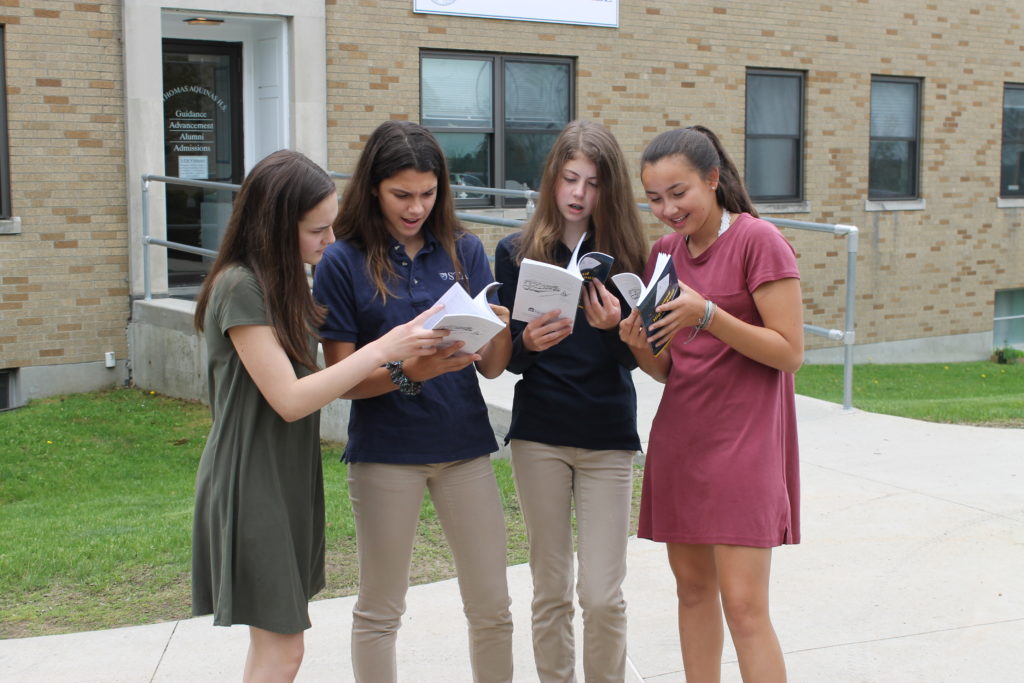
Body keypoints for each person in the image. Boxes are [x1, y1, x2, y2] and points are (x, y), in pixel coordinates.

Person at [191, 150, 445, 682]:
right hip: (252, 477)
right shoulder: (240, 286)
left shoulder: (279, 284)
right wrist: (382, 351)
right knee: (284, 652)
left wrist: (406, 350)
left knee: (273, 650)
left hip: (284, 475)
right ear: (277, 227)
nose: (330, 242)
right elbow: (291, 399)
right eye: (318, 230)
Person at [311, 120, 514, 683]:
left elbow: (494, 368)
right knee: (381, 611)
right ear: (373, 187)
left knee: (492, 606)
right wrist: (411, 372)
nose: (416, 207)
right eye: (402, 194)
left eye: (428, 194)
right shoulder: (342, 261)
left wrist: (499, 328)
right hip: (386, 453)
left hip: (463, 446)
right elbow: (343, 379)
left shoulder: (466, 249)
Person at [620, 125, 803, 683]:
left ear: (713, 180)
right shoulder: (664, 253)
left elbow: (789, 352)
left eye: (679, 193)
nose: (668, 209)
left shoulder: (758, 240)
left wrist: (709, 315)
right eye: (654, 198)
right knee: (693, 592)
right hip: (682, 440)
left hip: (744, 445)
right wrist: (638, 346)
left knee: (745, 608)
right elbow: (671, 368)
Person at [494, 120, 648, 682]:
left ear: (610, 189)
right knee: (551, 589)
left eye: (592, 182)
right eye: (569, 178)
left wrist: (612, 329)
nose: (579, 193)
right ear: (552, 180)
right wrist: (526, 343)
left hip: (608, 435)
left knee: (604, 595)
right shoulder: (514, 253)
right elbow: (506, 359)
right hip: (540, 435)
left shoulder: (630, 253)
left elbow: (637, 359)